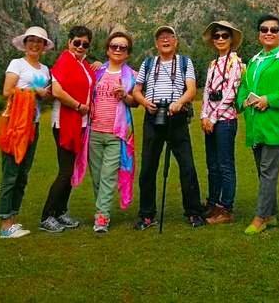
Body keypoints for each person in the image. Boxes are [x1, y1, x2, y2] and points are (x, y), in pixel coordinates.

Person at [132, 25, 206, 229]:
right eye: (161, 37)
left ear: (176, 41)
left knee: (187, 166)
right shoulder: (148, 63)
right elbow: (137, 90)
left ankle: (193, 211)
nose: (165, 40)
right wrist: (145, 102)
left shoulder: (184, 62)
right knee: (148, 167)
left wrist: (179, 103)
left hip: (177, 117)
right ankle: (146, 214)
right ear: (156, 44)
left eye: (169, 36)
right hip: (153, 116)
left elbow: (191, 90)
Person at [236, 14, 279, 235]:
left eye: (274, 30)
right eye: (264, 29)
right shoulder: (254, 61)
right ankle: (271, 214)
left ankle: (260, 217)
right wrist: (242, 101)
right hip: (255, 125)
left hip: (274, 125)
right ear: (259, 34)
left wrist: (268, 99)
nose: (268, 33)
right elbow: (244, 86)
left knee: (267, 172)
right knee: (263, 172)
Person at [0, 26, 53, 239]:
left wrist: (45, 94)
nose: (35, 45)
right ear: (25, 43)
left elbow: (45, 95)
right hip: (15, 123)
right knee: (11, 173)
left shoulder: (45, 69)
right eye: (31, 40)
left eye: (39, 41)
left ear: (44, 46)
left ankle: (13, 219)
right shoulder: (17, 64)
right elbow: (7, 91)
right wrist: (33, 91)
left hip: (33, 123)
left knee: (22, 174)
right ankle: (5, 224)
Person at [39, 26, 95, 234]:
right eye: (77, 42)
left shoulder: (83, 65)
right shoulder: (64, 61)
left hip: (80, 123)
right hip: (65, 122)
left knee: (70, 171)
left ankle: (60, 211)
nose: (80, 46)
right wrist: (79, 106)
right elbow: (57, 91)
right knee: (66, 171)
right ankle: (47, 216)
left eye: (85, 44)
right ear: (69, 42)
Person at [86, 30, 138, 233]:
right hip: (94, 132)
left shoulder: (132, 76)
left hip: (117, 135)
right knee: (97, 177)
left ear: (128, 53)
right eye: (114, 46)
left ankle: (102, 217)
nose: (117, 49)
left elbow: (135, 102)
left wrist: (125, 95)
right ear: (107, 50)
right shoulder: (96, 72)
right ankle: (101, 209)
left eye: (122, 47)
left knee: (108, 176)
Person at [200, 21, 244, 225]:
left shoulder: (235, 62)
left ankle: (226, 207)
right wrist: (204, 115)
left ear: (231, 39)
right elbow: (207, 91)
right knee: (213, 164)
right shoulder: (213, 64)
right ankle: (213, 202)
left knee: (225, 165)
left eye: (224, 35)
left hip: (225, 120)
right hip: (210, 119)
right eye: (216, 36)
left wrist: (212, 117)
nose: (220, 39)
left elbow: (230, 94)